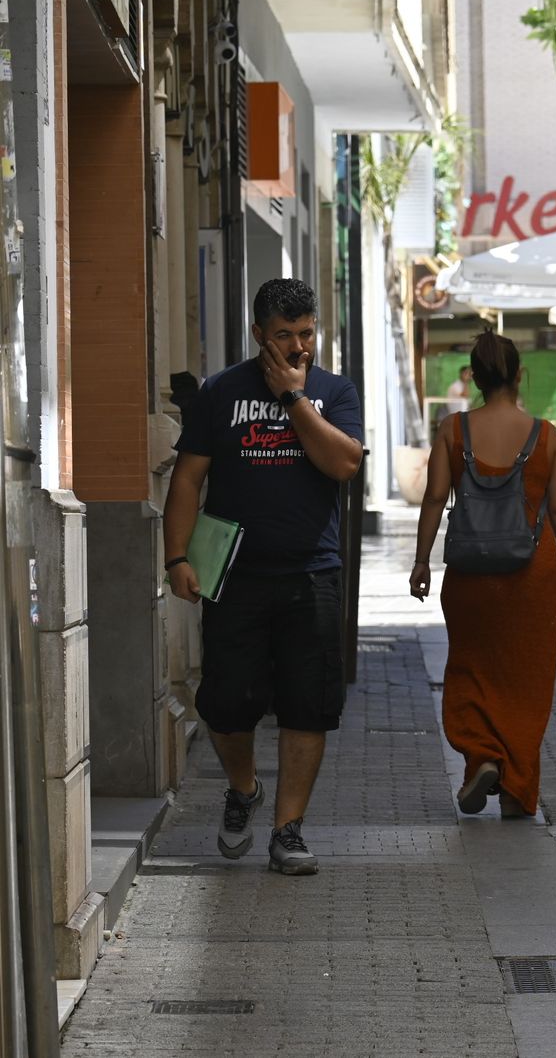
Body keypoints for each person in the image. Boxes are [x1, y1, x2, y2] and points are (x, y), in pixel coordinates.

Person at [163, 278, 364, 876]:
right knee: (227, 704)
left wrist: (294, 398)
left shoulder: (334, 391)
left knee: (308, 707)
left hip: (313, 575)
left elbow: (344, 463)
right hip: (236, 576)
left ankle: (287, 831)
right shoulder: (222, 391)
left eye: (306, 333)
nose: (298, 346)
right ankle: (244, 787)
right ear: (258, 334)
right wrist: (177, 558)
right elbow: (187, 479)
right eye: (284, 335)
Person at [409, 330, 556, 819]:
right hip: (533, 577)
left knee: (471, 668)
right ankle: (515, 790)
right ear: (518, 374)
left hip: (470, 577)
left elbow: (434, 499)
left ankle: (483, 754)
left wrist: (422, 561)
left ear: (475, 378)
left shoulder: (453, 430)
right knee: (526, 682)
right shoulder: (546, 436)